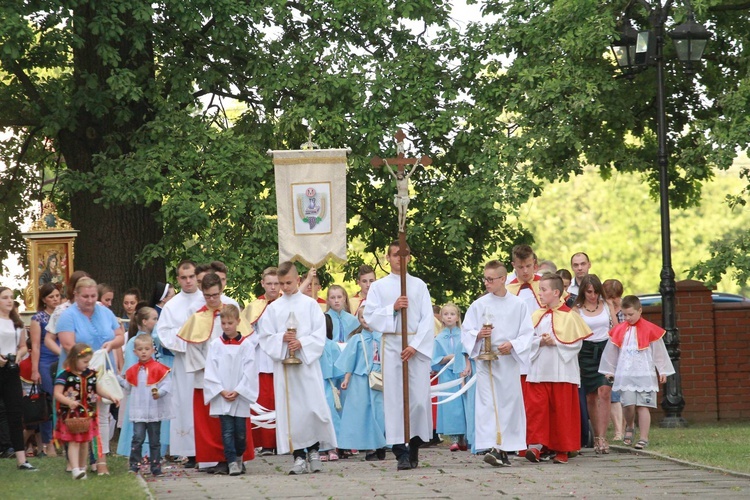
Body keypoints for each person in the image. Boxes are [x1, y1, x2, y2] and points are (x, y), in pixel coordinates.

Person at [257, 261, 336, 475]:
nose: (285, 287)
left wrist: (302, 343)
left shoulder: (310, 305)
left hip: (307, 367)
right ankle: (299, 455)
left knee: (312, 408)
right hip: (286, 370)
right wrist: (281, 339)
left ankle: (314, 450)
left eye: (289, 282)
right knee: (292, 412)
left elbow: (320, 334)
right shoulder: (273, 309)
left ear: (299, 280)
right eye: (282, 283)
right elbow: (264, 337)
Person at [363, 240, 434, 471]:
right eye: (394, 255)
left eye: (403, 255)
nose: (399, 259)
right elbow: (371, 316)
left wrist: (414, 345)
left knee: (417, 400)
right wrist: (391, 308)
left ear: (409, 258)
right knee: (395, 400)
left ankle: (414, 444)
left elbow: (427, 319)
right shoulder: (379, 287)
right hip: (393, 345)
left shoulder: (419, 285)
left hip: (415, 346)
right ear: (388, 257)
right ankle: (400, 452)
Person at [178, 272, 252, 474]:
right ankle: (215, 459)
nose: (212, 299)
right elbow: (193, 348)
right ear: (202, 293)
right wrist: (212, 372)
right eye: (208, 295)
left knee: (235, 424)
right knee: (212, 423)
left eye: (215, 295)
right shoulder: (195, 312)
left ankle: (236, 458)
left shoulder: (229, 310)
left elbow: (245, 341)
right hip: (207, 377)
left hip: (234, 378)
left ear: (221, 291)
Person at [461, 262, 534, 467]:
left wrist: (512, 344)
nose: (487, 283)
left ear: (503, 279)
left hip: (508, 360)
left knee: (508, 404)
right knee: (488, 404)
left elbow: (527, 333)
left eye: (491, 279)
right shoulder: (479, 304)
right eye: (485, 279)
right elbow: (466, 331)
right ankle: (492, 446)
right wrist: (478, 335)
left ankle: (505, 447)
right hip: (486, 360)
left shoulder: (518, 305)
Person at [56, 277, 125, 475]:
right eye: (85, 296)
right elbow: (68, 344)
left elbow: (119, 335)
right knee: (77, 415)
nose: (89, 300)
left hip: (101, 369)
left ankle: (101, 460)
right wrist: (87, 360)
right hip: (76, 372)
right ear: (76, 295)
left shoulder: (105, 311)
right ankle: (77, 462)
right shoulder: (68, 315)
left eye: (93, 296)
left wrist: (111, 345)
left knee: (101, 414)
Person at [526, 273, 591, 464]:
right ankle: (537, 445)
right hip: (539, 370)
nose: (540, 293)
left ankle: (562, 449)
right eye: (539, 290)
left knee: (561, 411)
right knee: (538, 410)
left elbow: (576, 344)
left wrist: (555, 342)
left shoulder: (570, 316)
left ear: (556, 292)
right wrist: (540, 341)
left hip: (561, 371)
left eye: (544, 290)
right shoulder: (536, 315)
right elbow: (527, 340)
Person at [599, 295, 675, 450]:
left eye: (631, 314)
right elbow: (611, 352)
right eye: (625, 315)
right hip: (626, 374)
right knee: (628, 405)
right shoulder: (620, 330)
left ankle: (644, 438)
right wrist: (610, 370)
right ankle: (630, 426)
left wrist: (662, 370)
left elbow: (659, 352)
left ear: (640, 311)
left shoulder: (650, 329)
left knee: (643, 406)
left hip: (645, 374)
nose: (628, 318)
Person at [156, 260, 204, 468]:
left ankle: (208, 448)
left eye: (191, 276)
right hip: (184, 361)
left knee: (204, 403)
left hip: (205, 360)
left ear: (197, 276)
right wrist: (185, 343)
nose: (188, 281)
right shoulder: (172, 305)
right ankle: (190, 452)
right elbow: (163, 333)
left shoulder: (206, 300)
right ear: (178, 279)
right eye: (183, 278)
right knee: (185, 404)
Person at [203, 305, 258, 476]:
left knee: (240, 434)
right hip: (222, 395)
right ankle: (232, 462)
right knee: (226, 431)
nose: (226, 326)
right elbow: (210, 369)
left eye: (230, 323)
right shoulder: (215, 345)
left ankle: (239, 455)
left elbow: (250, 370)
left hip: (239, 396)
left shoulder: (247, 345)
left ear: (238, 322)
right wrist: (220, 390)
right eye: (224, 323)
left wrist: (239, 390)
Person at [54, 343, 121, 479]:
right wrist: (69, 402)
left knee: (85, 442)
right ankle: (75, 469)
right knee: (74, 441)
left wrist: (110, 396)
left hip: (88, 413)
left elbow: (97, 389)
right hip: (72, 415)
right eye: (84, 361)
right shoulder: (65, 375)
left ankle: (82, 467)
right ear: (74, 359)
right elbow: (57, 393)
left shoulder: (90, 374)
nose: (87, 364)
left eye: (88, 361)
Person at [117, 306, 171, 458]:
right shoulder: (135, 342)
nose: (157, 321)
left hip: (153, 392)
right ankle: (136, 454)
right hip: (140, 391)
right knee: (138, 425)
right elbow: (131, 368)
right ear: (145, 321)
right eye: (154, 318)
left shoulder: (154, 341)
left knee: (154, 424)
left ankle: (154, 454)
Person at [335, 307, 386, 461]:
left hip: (380, 378)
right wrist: (346, 378)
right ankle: (369, 446)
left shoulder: (383, 338)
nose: (366, 321)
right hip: (361, 379)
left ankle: (381, 443)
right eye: (363, 317)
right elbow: (350, 360)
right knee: (363, 412)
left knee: (380, 411)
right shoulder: (357, 339)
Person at [574, 274, 617, 455]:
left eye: (596, 292)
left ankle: (602, 437)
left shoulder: (607, 305)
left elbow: (616, 327)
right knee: (591, 396)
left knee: (604, 391)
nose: (593, 296)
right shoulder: (576, 310)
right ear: (583, 291)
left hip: (605, 349)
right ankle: (596, 434)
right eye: (589, 292)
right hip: (585, 352)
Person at [240, 267, 280, 456]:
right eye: (269, 283)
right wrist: (261, 337)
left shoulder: (285, 304)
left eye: (276, 283)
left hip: (281, 359)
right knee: (264, 401)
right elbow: (246, 335)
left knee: (281, 400)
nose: (273, 287)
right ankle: (265, 443)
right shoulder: (254, 307)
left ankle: (282, 441)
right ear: (263, 284)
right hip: (262, 360)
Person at [120, 335, 173, 476]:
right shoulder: (133, 370)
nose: (143, 352)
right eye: (140, 349)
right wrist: (116, 379)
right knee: (137, 438)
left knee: (155, 440)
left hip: (154, 410)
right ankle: (134, 465)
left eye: (147, 349)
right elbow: (129, 387)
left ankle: (155, 467)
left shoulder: (159, 368)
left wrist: (159, 393)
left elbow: (167, 384)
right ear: (134, 351)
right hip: (139, 410)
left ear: (152, 350)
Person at [0, 287, 37, 471]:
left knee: (15, 412)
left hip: (11, 370)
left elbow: (23, 346)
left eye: (11, 298)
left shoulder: (18, 323)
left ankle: (21, 460)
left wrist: (16, 354)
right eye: (4, 298)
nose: (8, 301)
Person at [431, 303, 471, 452]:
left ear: (457, 317)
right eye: (446, 314)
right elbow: (434, 359)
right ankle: (454, 437)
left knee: (463, 404)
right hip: (447, 375)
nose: (449, 317)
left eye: (452, 314)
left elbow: (468, 353)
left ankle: (464, 437)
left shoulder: (463, 336)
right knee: (451, 405)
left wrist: (465, 364)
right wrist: (447, 358)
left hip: (461, 373)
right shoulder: (438, 338)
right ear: (441, 317)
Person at [29, 283, 62, 456]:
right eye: (51, 297)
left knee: (64, 400)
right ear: (44, 299)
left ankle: (63, 439)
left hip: (62, 359)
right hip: (45, 361)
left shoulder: (64, 314)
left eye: (57, 296)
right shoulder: (38, 319)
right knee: (49, 401)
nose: (55, 299)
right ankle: (48, 443)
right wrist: (35, 370)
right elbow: (35, 346)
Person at [602, 278, 625, 440]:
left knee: (622, 394)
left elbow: (618, 332)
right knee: (612, 393)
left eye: (614, 297)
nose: (612, 300)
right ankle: (618, 431)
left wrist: (612, 309)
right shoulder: (602, 308)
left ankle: (623, 429)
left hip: (623, 354)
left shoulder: (624, 309)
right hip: (608, 354)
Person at [319, 314, 343, 461]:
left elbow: (338, 367)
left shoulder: (332, 346)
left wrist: (338, 386)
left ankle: (332, 446)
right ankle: (319, 447)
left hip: (329, 383)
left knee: (331, 412)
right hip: (314, 383)